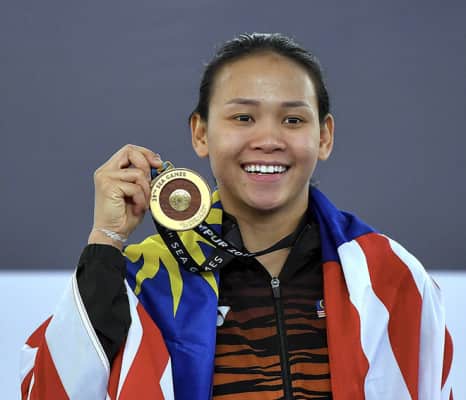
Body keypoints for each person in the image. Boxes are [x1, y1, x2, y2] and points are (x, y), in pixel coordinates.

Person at [21, 33, 453, 400]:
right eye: (243, 117)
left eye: (293, 119)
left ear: (324, 137)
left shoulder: (389, 276)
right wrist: (106, 240)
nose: (268, 139)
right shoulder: (143, 281)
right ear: (201, 133)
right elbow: (50, 390)